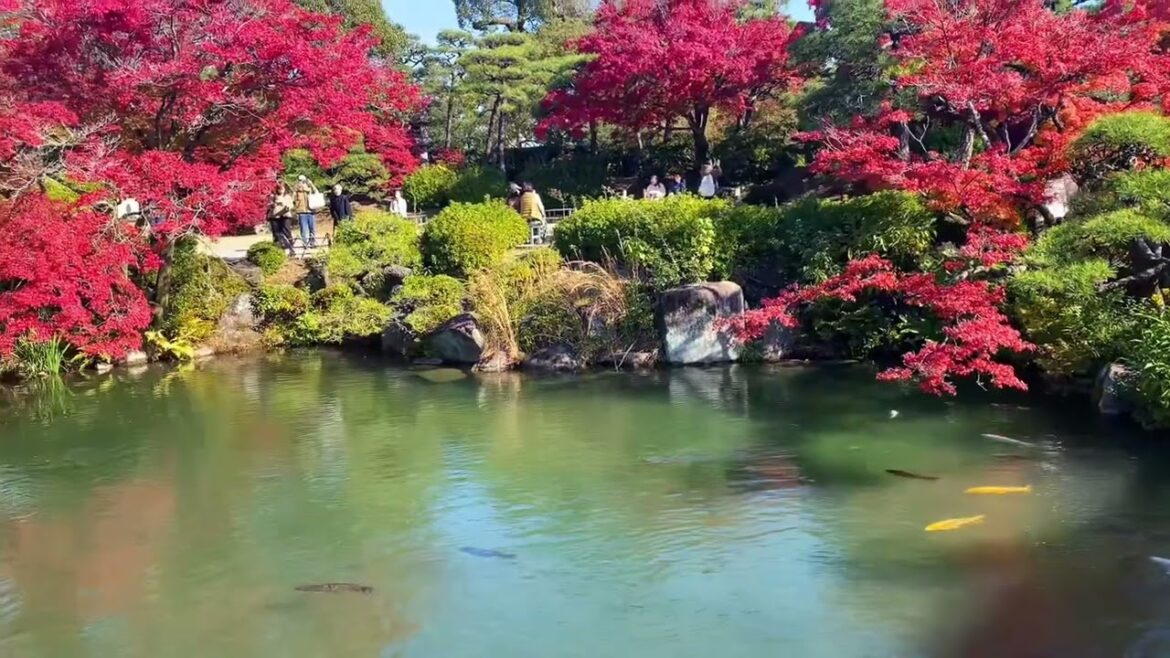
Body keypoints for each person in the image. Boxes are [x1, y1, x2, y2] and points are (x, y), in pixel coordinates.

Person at [267, 182, 296, 256]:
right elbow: (268, 206)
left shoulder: (287, 196)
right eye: (279, 189)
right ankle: (278, 251)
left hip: (285, 216)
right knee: (276, 234)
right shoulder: (272, 196)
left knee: (287, 232)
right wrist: (273, 204)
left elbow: (291, 205)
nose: (280, 190)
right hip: (275, 217)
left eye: (282, 188)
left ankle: (291, 249)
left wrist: (285, 205)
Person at [293, 175, 320, 247]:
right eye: (300, 180)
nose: (302, 182)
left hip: (310, 210)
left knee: (312, 228)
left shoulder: (309, 188)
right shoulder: (296, 189)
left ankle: (312, 243)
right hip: (301, 211)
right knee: (304, 229)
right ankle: (305, 244)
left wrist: (311, 184)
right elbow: (293, 199)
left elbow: (316, 192)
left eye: (303, 180)